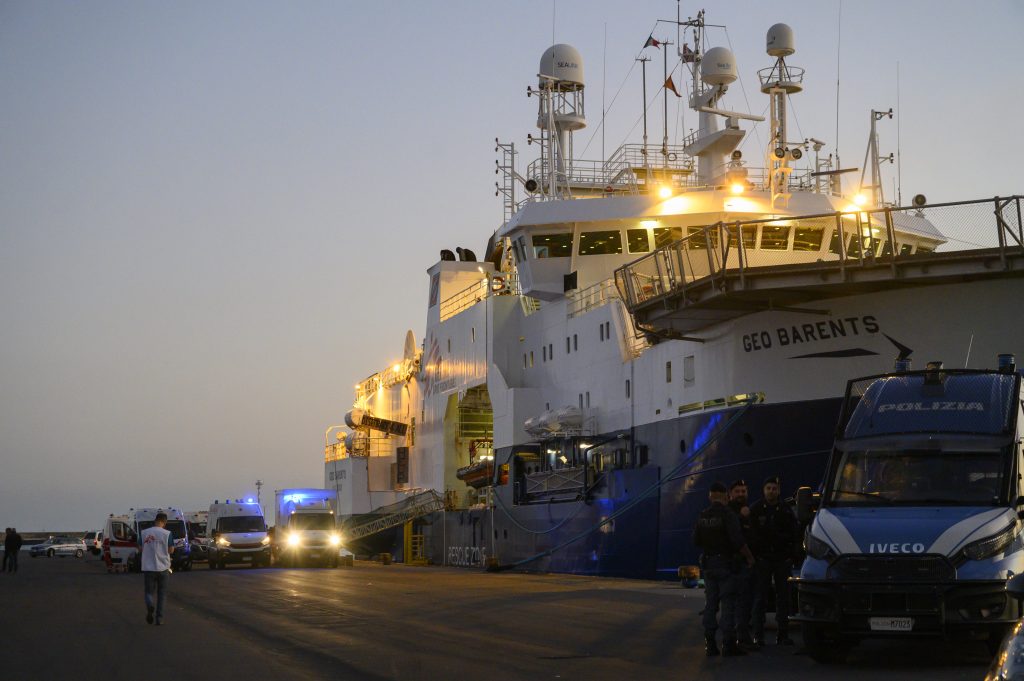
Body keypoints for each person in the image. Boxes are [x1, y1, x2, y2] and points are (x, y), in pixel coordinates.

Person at [694, 481, 755, 657]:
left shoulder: (703, 515)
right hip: (726, 565)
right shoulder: (728, 515)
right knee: (728, 603)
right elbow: (738, 541)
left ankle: (710, 643)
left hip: (708, 564)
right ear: (725, 496)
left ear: (710, 496)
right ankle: (728, 644)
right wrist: (750, 557)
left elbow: (696, 541)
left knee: (711, 604)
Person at [750, 476, 798, 646]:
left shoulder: (785, 510)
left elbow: (794, 534)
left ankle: (783, 634)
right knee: (760, 597)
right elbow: (750, 535)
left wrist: (790, 556)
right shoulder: (756, 509)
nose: (771, 491)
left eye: (774, 488)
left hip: (781, 559)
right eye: (768, 488)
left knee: (783, 597)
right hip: (763, 559)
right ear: (764, 490)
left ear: (779, 490)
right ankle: (758, 635)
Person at [728, 479, 755, 647]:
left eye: (743, 491)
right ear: (730, 494)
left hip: (746, 563)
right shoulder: (729, 513)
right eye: (737, 491)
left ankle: (740, 636)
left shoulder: (750, 511)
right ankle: (738, 638)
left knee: (746, 602)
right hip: (735, 563)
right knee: (738, 602)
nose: (740, 494)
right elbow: (736, 538)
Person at [139, 512, 175, 625]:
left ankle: (150, 605)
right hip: (163, 568)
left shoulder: (144, 533)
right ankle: (159, 618)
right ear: (164, 522)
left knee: (149, 592)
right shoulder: (167, 533)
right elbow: (171, 550)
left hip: (149, 568)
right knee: (162, 594)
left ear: (155, 520)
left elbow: (140, 548)